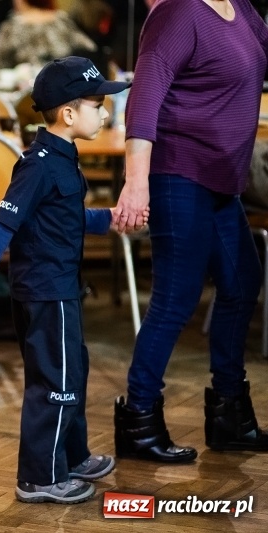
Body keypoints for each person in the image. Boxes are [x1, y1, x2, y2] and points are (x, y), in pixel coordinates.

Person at [0, 56, 136, 504]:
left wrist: (112, 219)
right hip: (47, 292)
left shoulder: (62, 158)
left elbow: (62, 217)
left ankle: (73, 455)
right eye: (98, 104)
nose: (106, 113)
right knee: (56, 382)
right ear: (69, 113)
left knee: (73, 371)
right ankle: (40, 477)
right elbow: (4, 223)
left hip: (61, 286)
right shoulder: (39, 164)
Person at [112, 0, 268, 463]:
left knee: (242, 284)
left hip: (221, 178)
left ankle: (229, 416)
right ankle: (139, 420)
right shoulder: (179, 13)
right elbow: (143, 104)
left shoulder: (241, 9)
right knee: (176, 298)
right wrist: (135, 184)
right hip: (178, 171)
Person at [0, 0, 97, 70]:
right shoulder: (61, 20)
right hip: (63, 91)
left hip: (25, 98)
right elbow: (89, 48)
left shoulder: (11, 27)